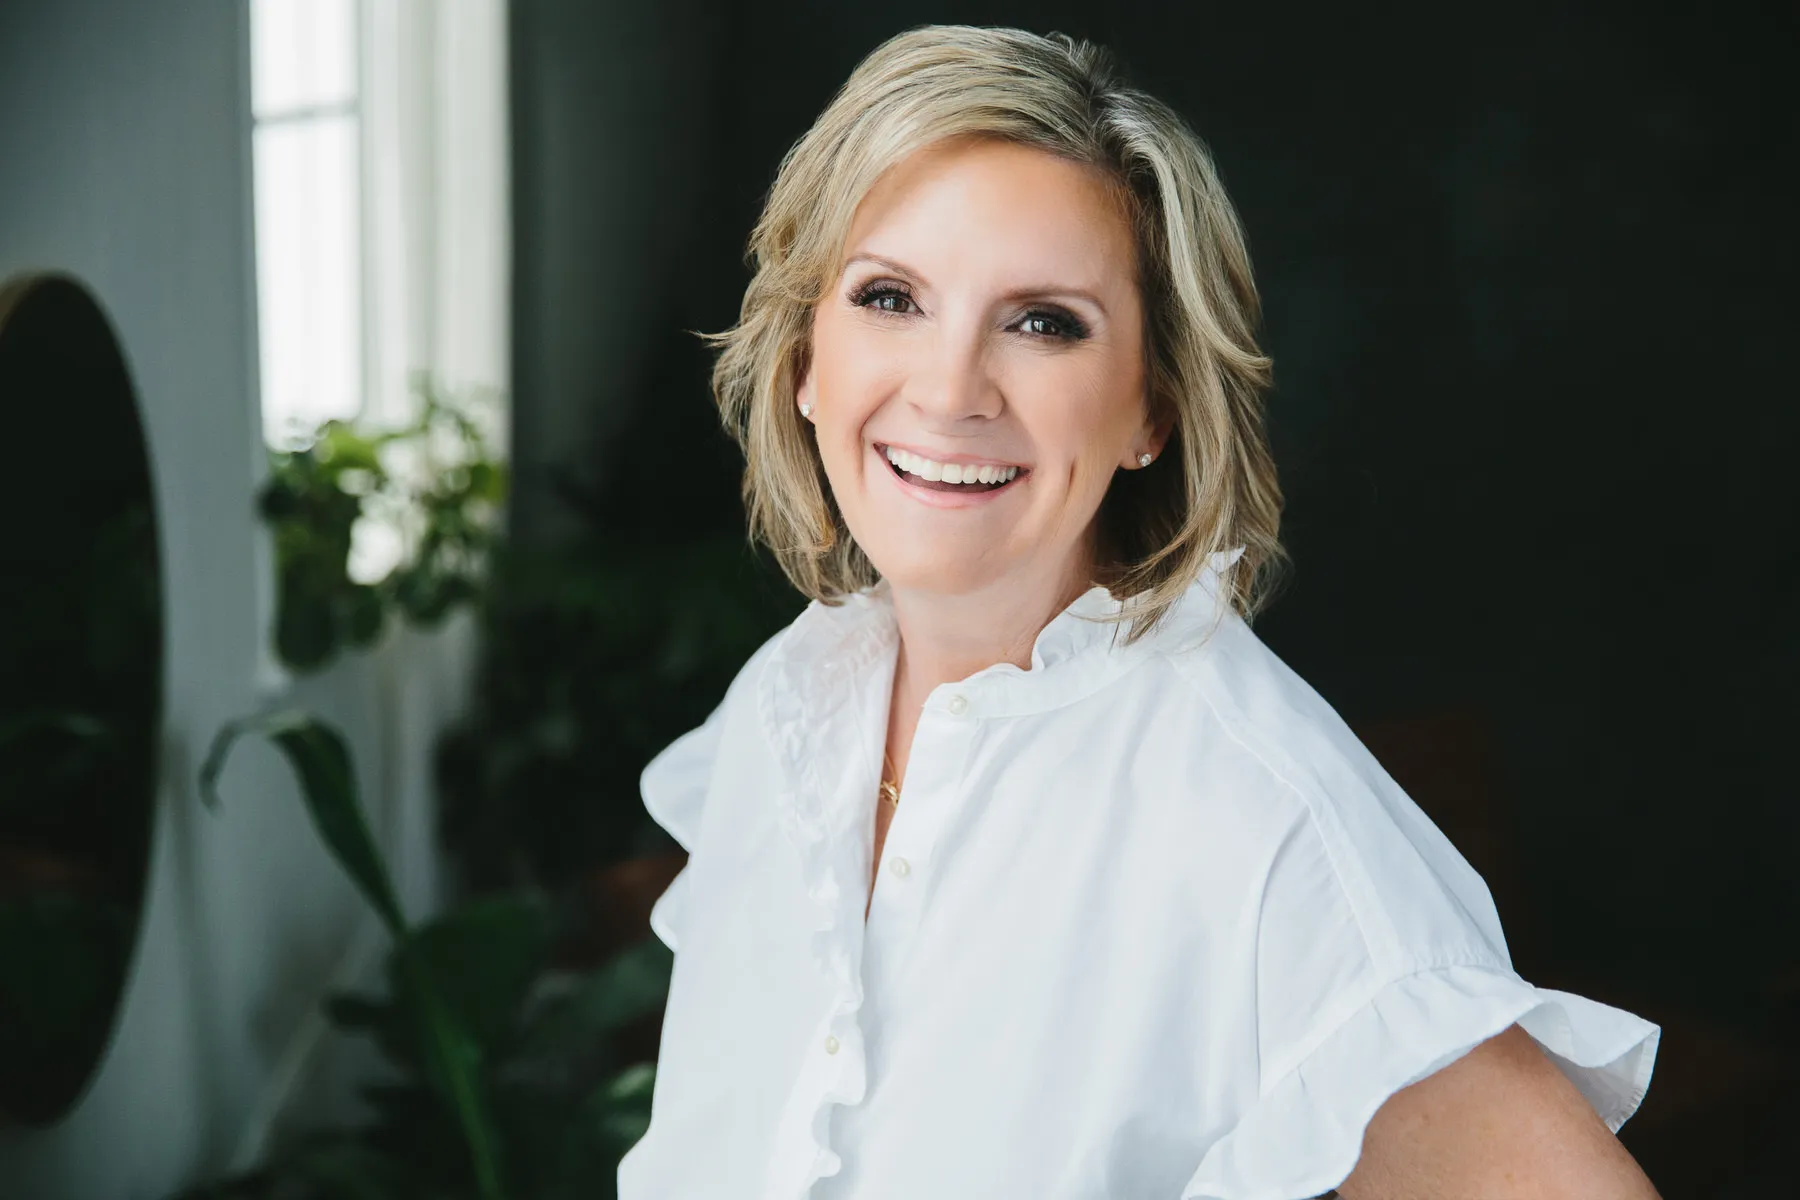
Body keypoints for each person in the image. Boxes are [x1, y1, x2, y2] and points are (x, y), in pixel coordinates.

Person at [618, 24, 1661, 1200]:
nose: (950, 390)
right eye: (891, 297)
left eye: (1044, 321)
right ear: (808, 356)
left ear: (1151, 409)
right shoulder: (785, 710)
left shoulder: (1261, 818)